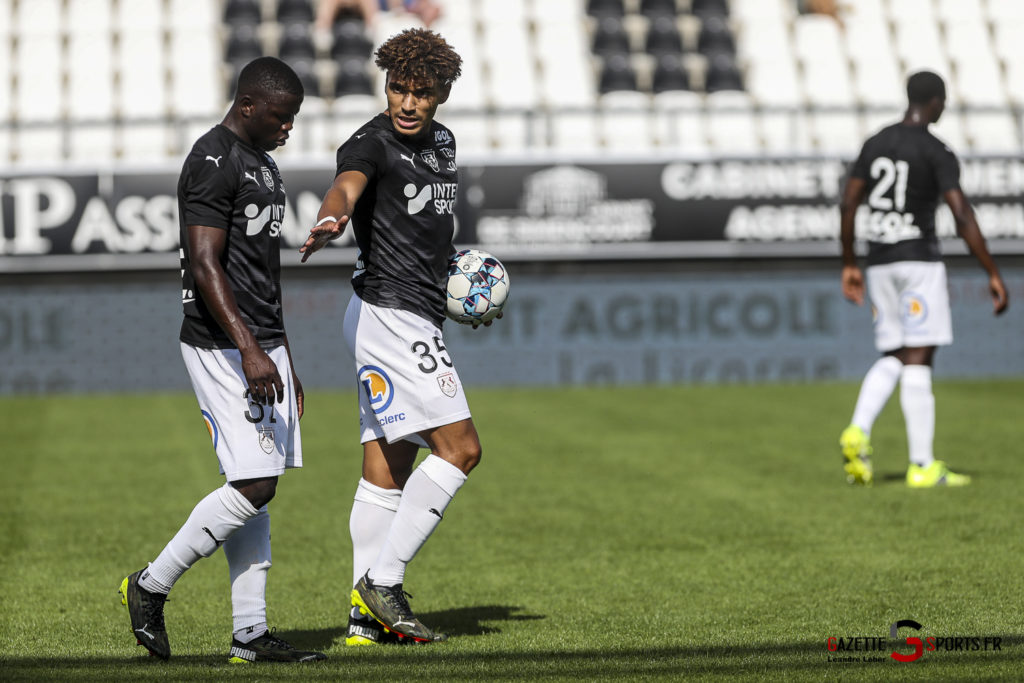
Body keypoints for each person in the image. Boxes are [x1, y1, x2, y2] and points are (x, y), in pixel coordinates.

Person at [118, 57, 326, 664]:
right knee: (255, 481)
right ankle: (150, 586)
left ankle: (251, 634)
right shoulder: (211, 161)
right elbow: (205, 264)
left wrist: (285, 356)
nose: (290, 127)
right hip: (221, 344)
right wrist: (251, 349)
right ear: (249, 106)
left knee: (259, 482)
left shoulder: (263, 163)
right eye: (283, 117)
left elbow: (262, 272)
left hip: (261, 343)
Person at [299, 28, 479, 646]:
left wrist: (457, 280)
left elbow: (427, 227)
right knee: (460, 449)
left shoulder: (444, 142)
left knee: (388, 466)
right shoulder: (371, 142)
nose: (406, 101)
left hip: (407, 311)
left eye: (420, 92)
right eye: (397, 87)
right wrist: (333, 212)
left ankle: (360, 622)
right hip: (390, 314)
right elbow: (348, 183)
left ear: (442, 94)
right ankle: (384, 582)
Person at [837, 70, 1008, 488]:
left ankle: (858, 429)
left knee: (896, 352)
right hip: (917, 260)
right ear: (935, 102)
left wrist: (849, 262)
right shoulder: (936, 151)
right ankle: (922, 465)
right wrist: (990, 270)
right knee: (920, 356)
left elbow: (849, 203)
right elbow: (962, 213)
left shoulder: (875, 143)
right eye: (943, 102)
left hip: (879, 261)